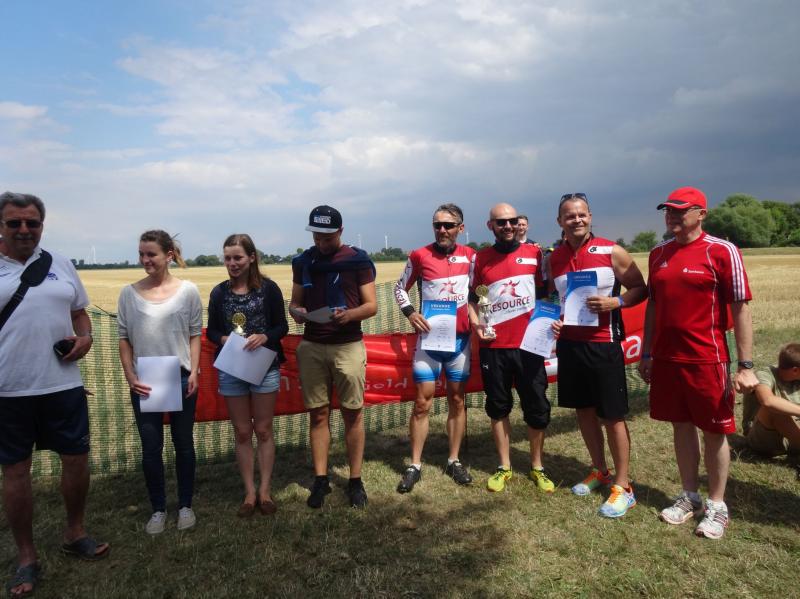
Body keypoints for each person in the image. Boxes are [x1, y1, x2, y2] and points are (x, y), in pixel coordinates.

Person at [0, 192, 108, 599]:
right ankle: (26, 556)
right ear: (1, 226)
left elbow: (80, 313)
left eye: (32, 222)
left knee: (77, 461)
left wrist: (85, 338)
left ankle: (75, 532)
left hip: (62, 385)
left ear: (42, 225)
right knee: (16, 472)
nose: (24, 229)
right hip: (8, 389)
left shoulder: (60, 263)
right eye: (14, 223)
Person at [638, 186, 759, 539]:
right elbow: (653, 306)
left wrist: (746, 365)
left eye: (680, 210)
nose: (672, 215)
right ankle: (689, 495)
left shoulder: (722, 251)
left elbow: (741, 308)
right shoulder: (658, 253)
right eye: (668, 210)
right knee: (680, 425)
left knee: (714, 430)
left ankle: (717, 504)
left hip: (708, 358)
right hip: (667, 358)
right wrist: (647, 352)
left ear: (701, 213)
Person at [549, 192, 647, 518]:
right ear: (560, 221)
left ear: (590, 216)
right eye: (569, 215)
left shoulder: (611, 250)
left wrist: (615, 302)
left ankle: (624, 486)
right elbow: (555, 299)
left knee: (612, 416)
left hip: (604, 344)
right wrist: (555, 319)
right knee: (584, 411)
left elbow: (640, 288)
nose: (576, 219)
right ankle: (599, 470)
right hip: (570, 345)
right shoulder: (554, 258)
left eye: (582, 214)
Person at [290, 206, 377, 508]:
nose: (321, 242)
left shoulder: (358, 260)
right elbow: (295, 303)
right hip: (312, 345)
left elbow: (371, 306)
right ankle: (320, 479)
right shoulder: (303, 261)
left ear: (340, 231)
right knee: (318, 414)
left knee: (353, 413)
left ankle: (355, 480)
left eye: (327, 237)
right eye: (316, 236)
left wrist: (349, 315)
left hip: (348, 345)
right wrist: (297, 312)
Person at [117, 230, 202, 534]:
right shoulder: (128, 294)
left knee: (184, 444)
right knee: (151, 448)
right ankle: (158, 509)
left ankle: (185, 506)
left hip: (181, 378)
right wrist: (131, 376)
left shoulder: (188, 291)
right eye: (141, 254)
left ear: (168, 255)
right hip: (146, 380)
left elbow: (195, 334)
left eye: (151, 254)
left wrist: (194, 372)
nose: (145, 260)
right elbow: (124, 339)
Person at [468, 203, 553, 493]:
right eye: (501, 222)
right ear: (490, 225)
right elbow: (472, 300)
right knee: (498, 406)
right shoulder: (480, 258)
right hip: (494, 346)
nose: (507, 226)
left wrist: (548, 326)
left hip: (529, 346)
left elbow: (546, 296)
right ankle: (504, 466)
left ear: (518, 223)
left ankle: (537, 466)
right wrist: (477, 325)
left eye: (512, 221)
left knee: (537, 406)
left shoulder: (535, 253)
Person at [393, 203, 475, 493]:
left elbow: (480, 294)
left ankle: (453, 460)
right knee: (422, 403)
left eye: (448, 225)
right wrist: (410, 313)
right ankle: (414, 464)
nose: (442, 230)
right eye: (437, 225)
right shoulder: (419, 255)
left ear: (460, 228)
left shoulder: (471, 256)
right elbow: (399, 288)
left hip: (460, 341)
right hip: (429, 342)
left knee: (457, 400)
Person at [207, 234, 288, 517]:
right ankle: (249, 493)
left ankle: (265, 491)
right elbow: (212, 330)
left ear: (252, 258)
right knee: (242, 432)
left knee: (263, 430)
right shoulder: (218, 293)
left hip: (264, 366)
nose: (232, 263)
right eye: (228, 258)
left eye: (238, 257)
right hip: (232, 367)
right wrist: (224, 340)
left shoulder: (269, 289)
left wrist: (265, 336)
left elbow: (282, 326)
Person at [742, 343, 800, 460]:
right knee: (773, 409)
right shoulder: (764, 374)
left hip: (794, 433)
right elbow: (767, 401)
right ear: (795, 370)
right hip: (764, 436)